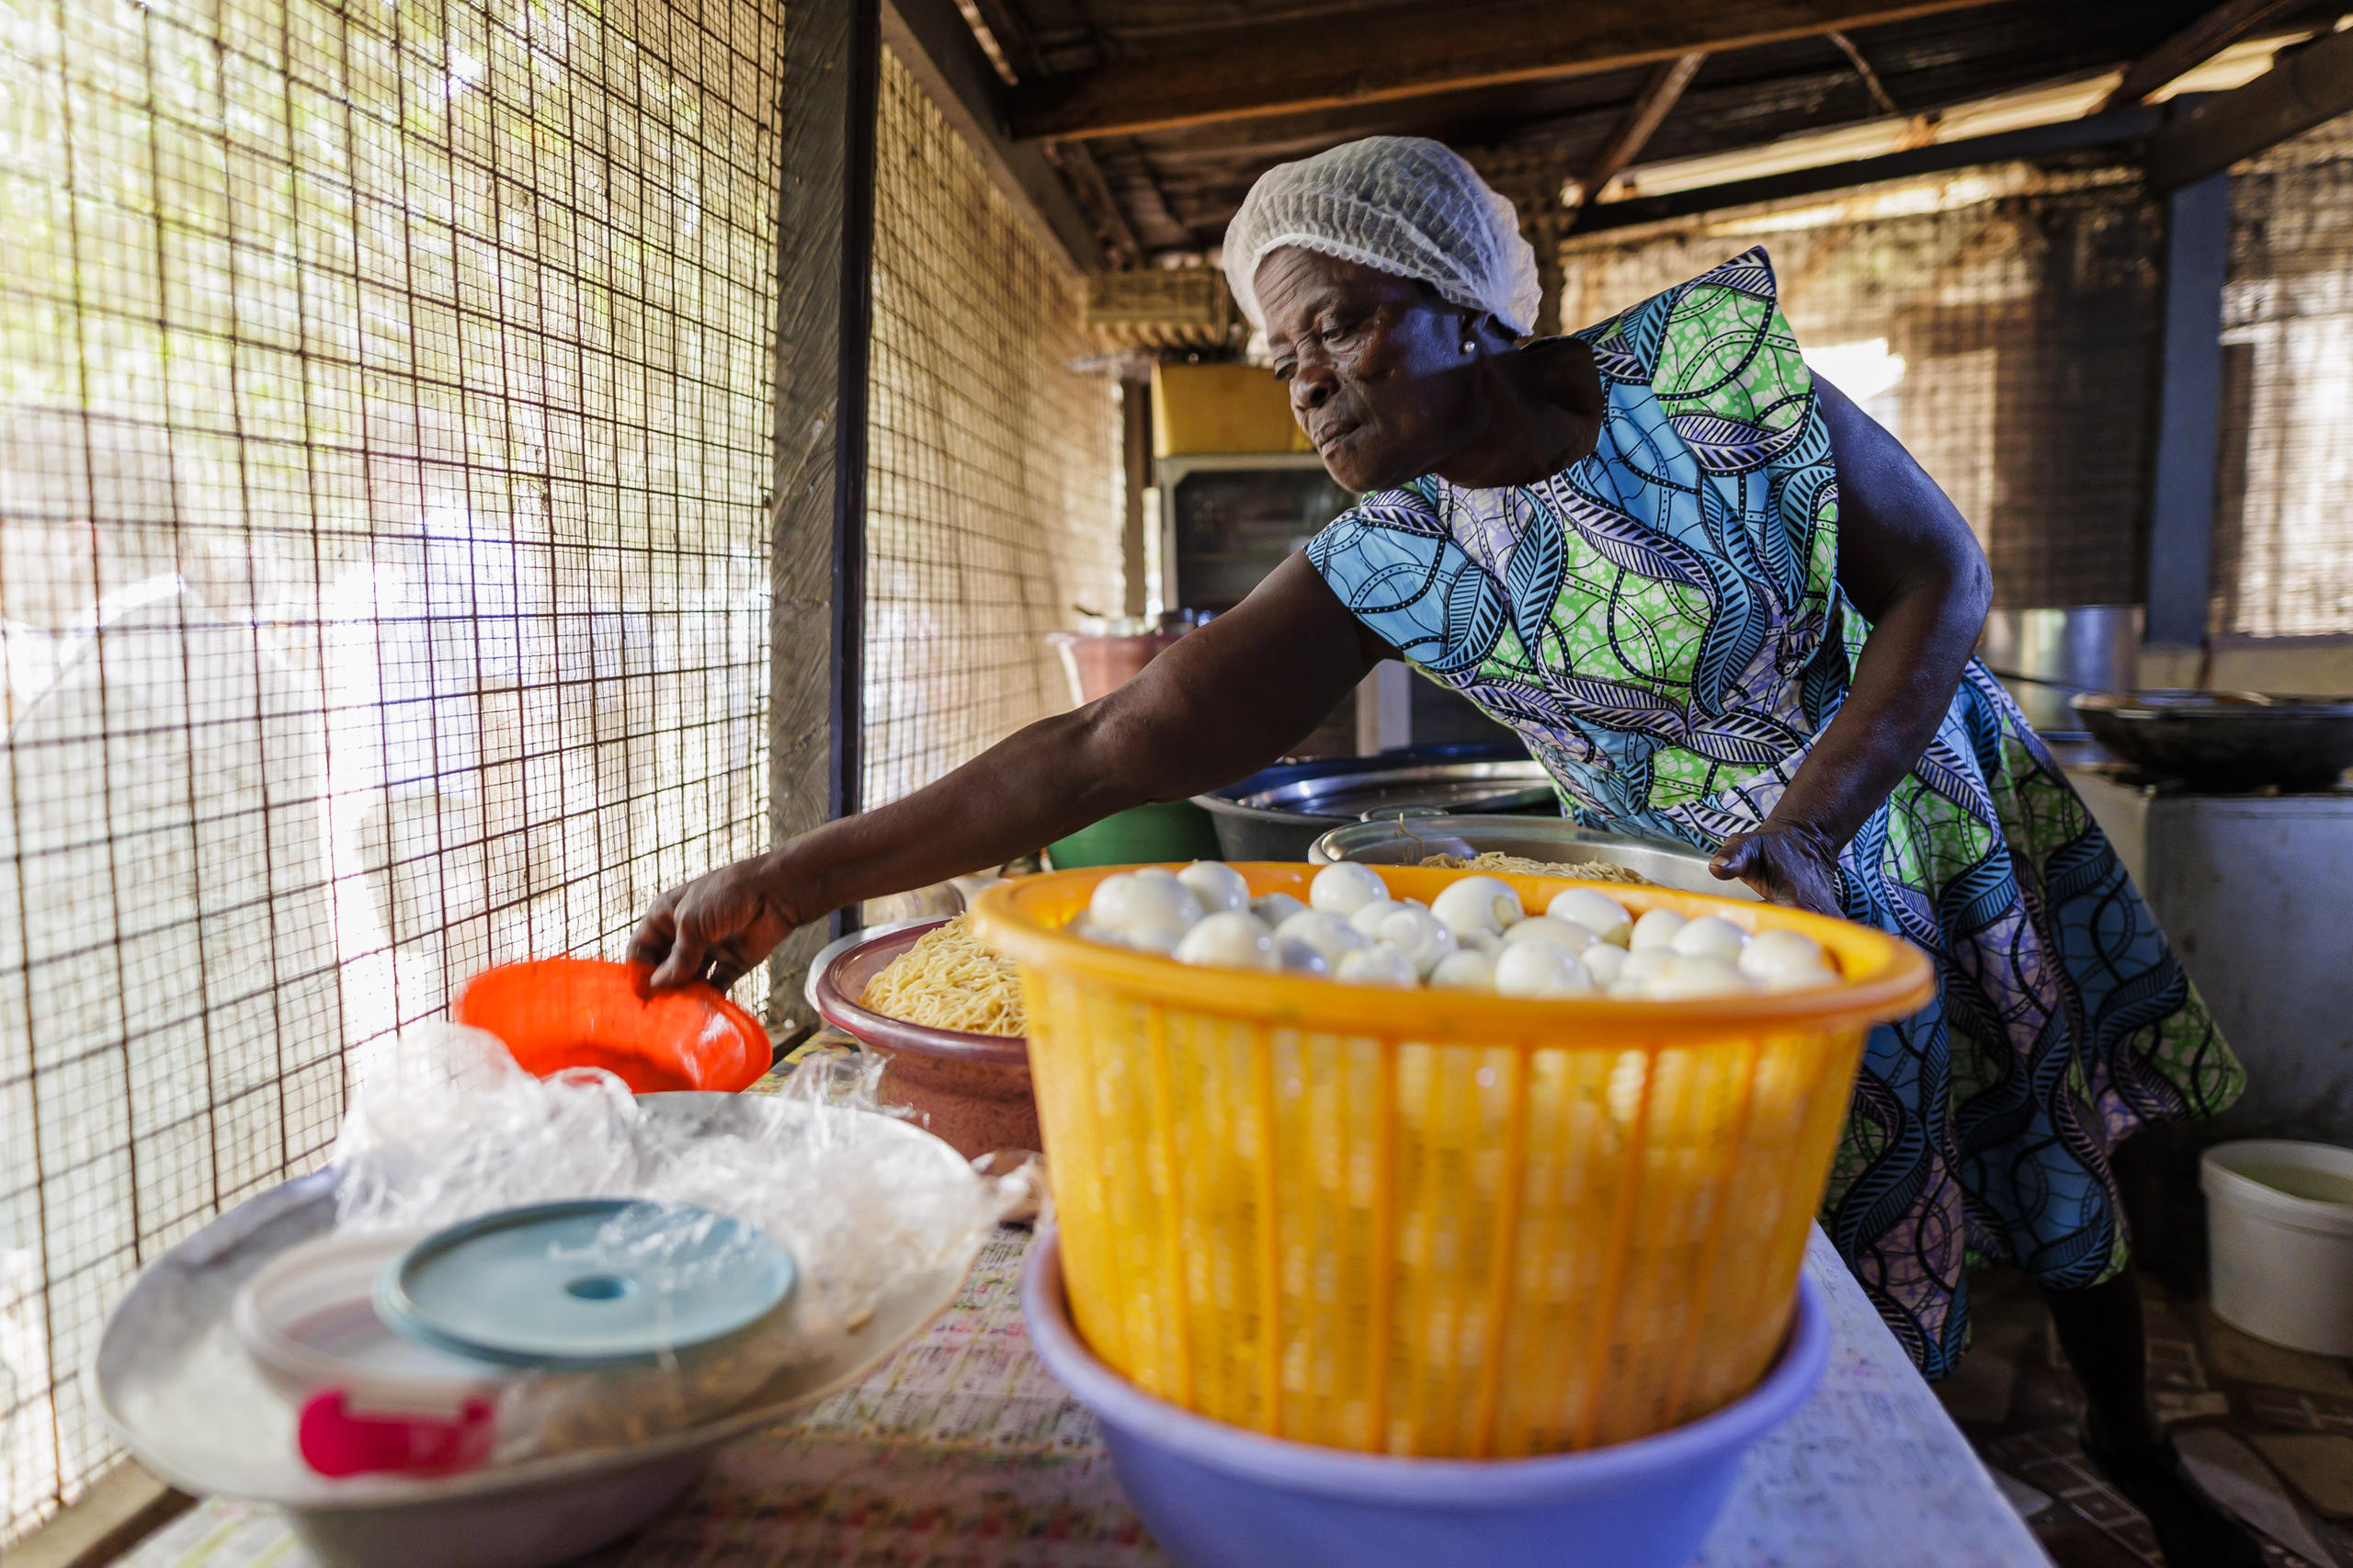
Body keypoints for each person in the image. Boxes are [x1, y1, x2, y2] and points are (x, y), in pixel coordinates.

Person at [633, 136, 2252, 1564]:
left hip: (1905, 792)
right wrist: (794, 877)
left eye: (1338, 322)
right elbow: (1102, 747)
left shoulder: (1711, 377)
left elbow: (1945, 582)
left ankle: (2131, 1443)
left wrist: (1814, 819)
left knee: (2041, 1124)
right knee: (1789, 1186)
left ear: (1470, 305)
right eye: (1283, 356)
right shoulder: (1387, 552)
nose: (1309, 380)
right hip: (1719, 892)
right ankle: (1790, 1478)